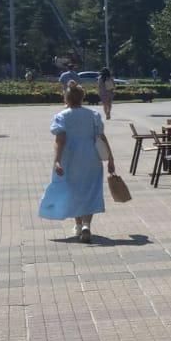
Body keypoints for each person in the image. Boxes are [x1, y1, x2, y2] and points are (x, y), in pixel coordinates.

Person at [38, 81, 116, 243]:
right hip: (91, 156)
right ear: (82, 98)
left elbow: (60, 139)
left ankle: (79, 225)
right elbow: (101, 137)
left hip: (70, 157)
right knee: (90, 188)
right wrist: (110, 159)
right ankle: (86, 224)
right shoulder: (93, 115)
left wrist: (57, 160)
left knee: (73, 189)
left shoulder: (61, 116)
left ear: (66, 98)